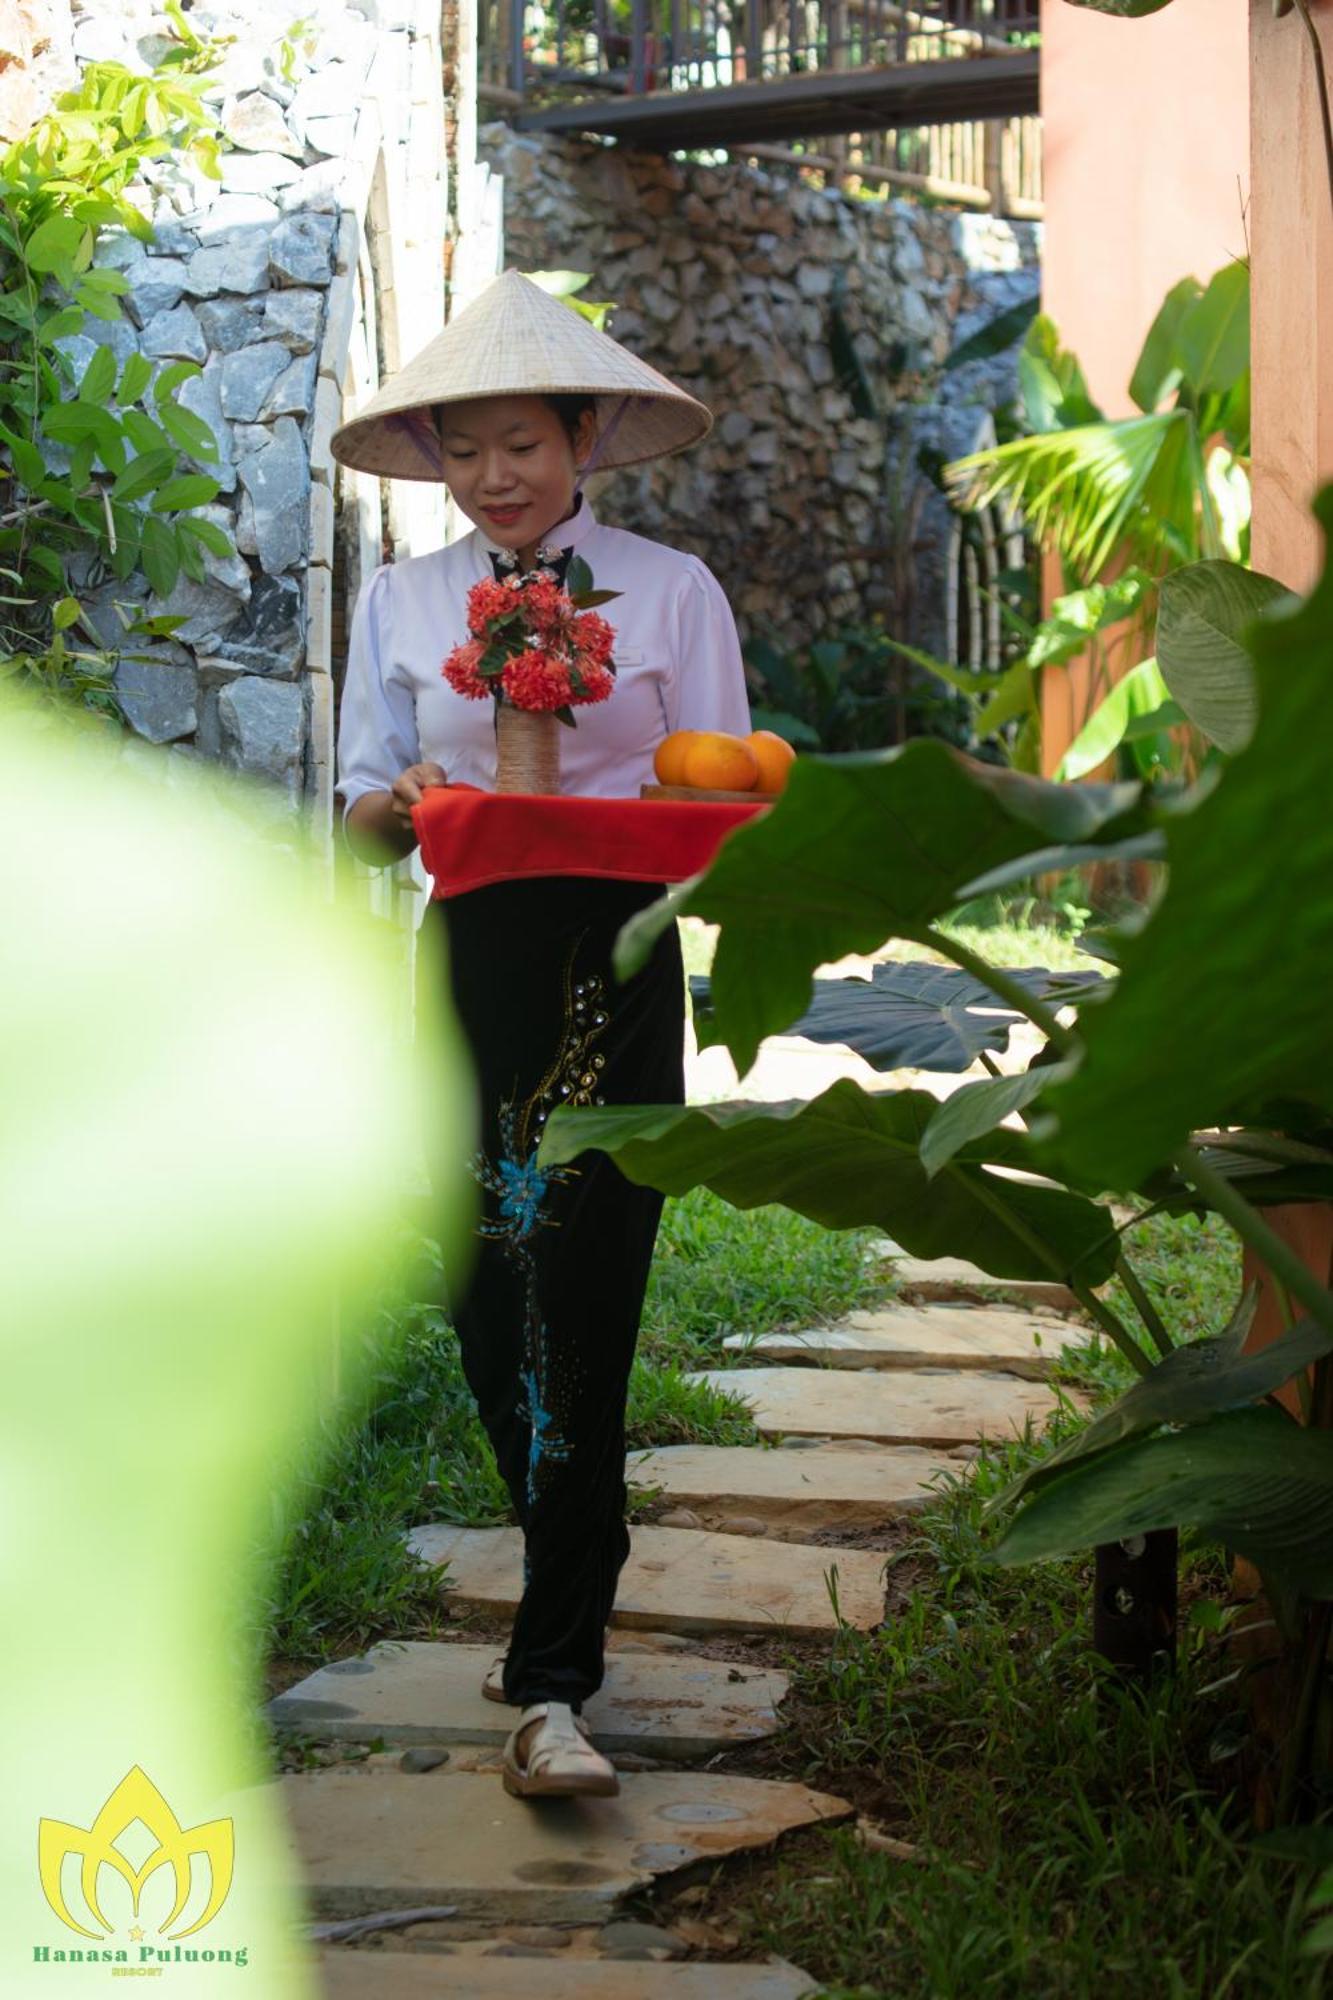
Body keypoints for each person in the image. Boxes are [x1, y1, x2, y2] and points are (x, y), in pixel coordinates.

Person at [331, 269, 751, 1800]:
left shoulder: (671, 589)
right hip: (467, 965)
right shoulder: (405, 599)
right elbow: (364, 805)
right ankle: (560, 1559)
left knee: (580, 1284)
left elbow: (720, 796)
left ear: (582, 434)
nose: (494, 476)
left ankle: (557, 1673)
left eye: (520, 442)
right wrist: (379, 811)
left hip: (616, 966)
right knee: (474, 1278)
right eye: (462, 450)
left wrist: (670, 814)